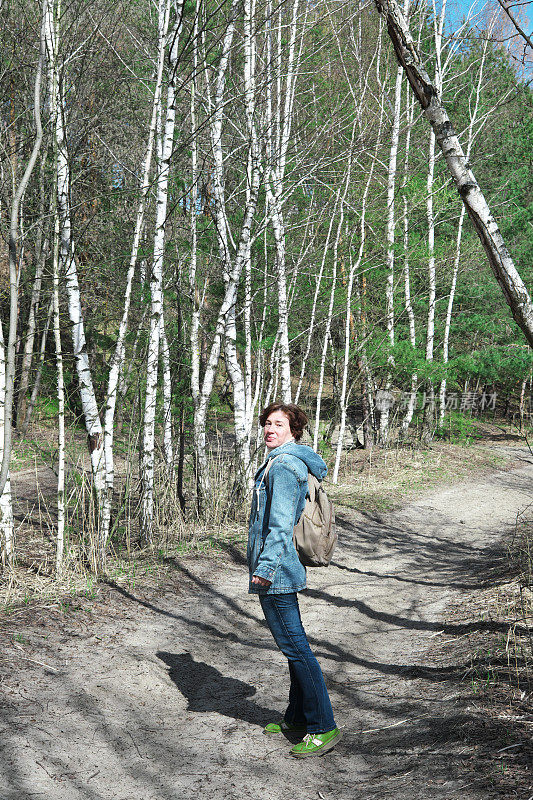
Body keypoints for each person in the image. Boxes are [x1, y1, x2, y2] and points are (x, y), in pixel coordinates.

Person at [247, 402, 342, 758]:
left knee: (296, 648)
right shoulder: (278, 461)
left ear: (293, 430)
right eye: (267, 424)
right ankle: (297, 718)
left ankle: (323, 726)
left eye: (278, 424)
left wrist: (265, 570)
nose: (270, 429)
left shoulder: (284, 465)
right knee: (293, 647)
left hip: (277, 572)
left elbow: (280, 524)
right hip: (277, 568)